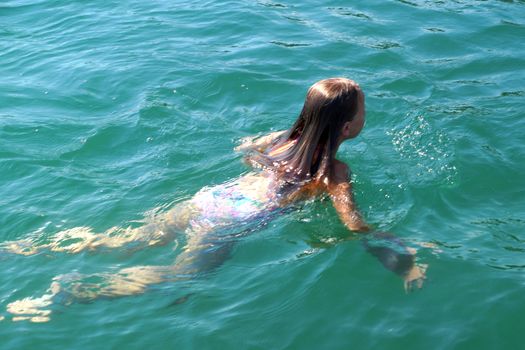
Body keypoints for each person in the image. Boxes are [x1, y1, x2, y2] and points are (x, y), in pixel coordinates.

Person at [2, 78, 425, 323]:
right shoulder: (334, 172)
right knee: (181, 275)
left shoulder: (279, 141)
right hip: (235, 220)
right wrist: (403, 260)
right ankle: (70, 292)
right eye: (365, 110)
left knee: (130, 240)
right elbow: (353, 225)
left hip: (213, 198)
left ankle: (30, 249)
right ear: (348, 127)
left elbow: (245, 149)